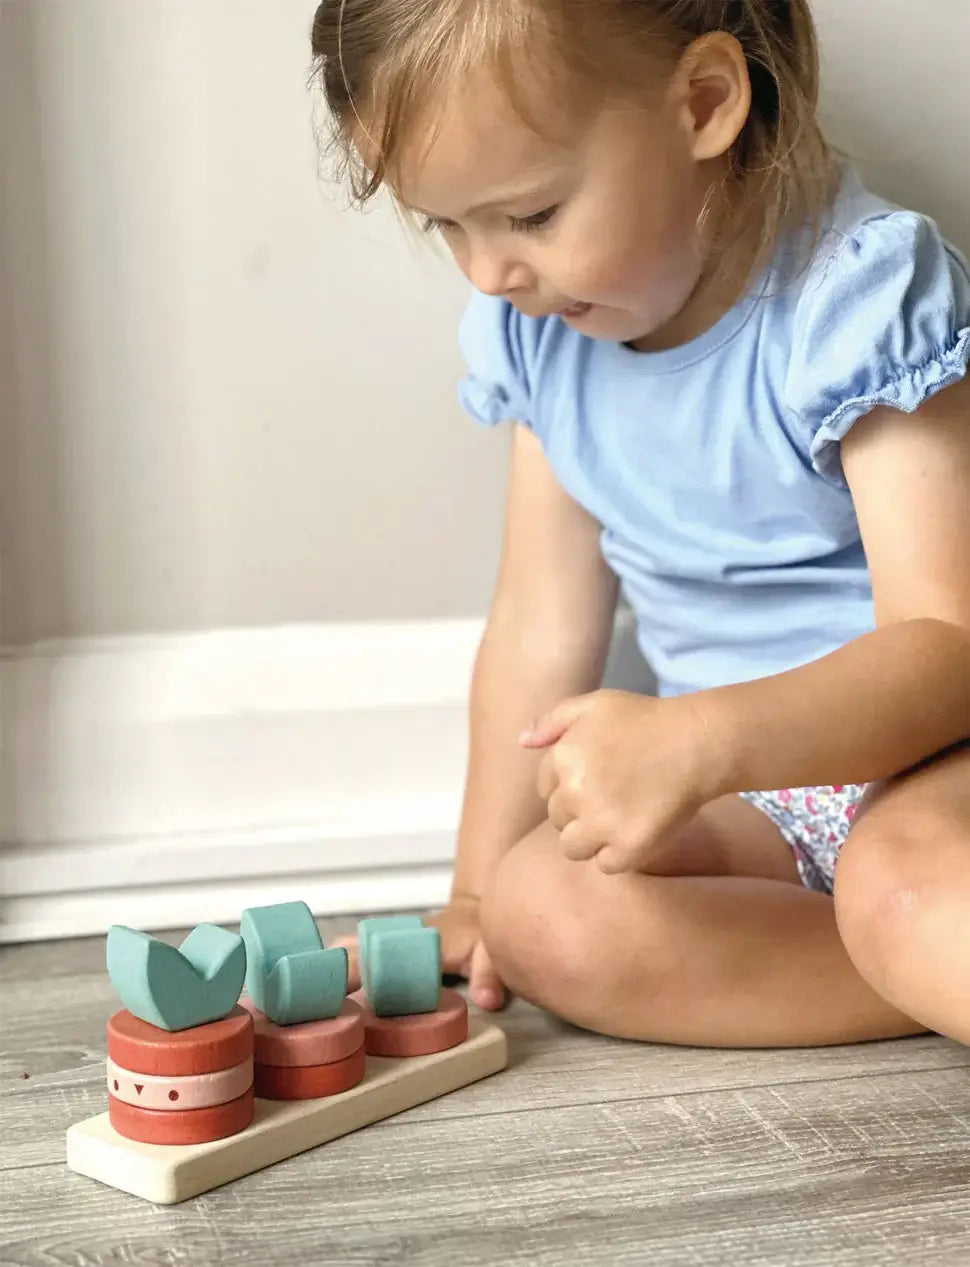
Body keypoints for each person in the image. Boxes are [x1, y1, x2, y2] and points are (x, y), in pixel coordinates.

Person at [310, 0, 970, 1047]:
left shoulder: (856, 294)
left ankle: (905, 932)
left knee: (903, 883)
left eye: (528, 216)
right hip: (754, 802)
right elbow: (537, 627)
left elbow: (946, 653)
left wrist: (705, 739)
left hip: (931, 762)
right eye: (448, 226)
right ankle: (910, 966)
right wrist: (475, 892)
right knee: (543, 914)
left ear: (704, 103)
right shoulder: (541, 341)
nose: (490, 274)